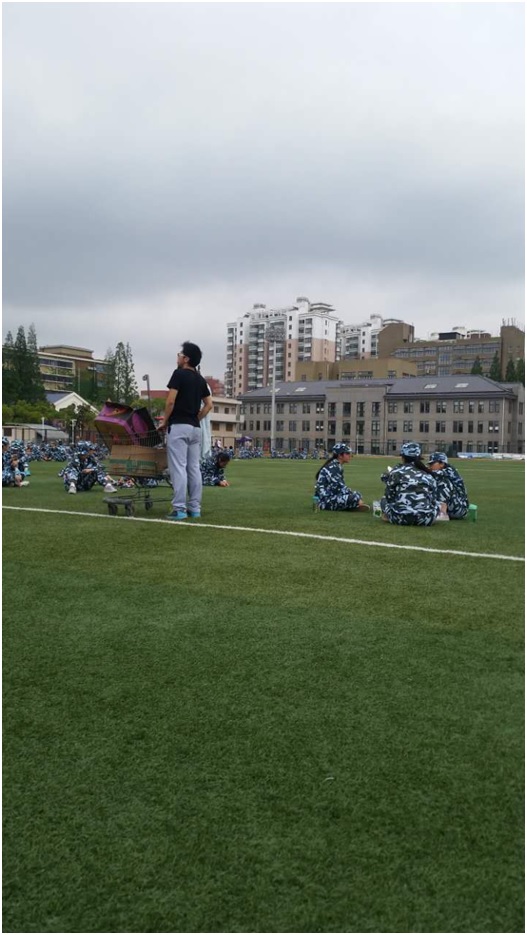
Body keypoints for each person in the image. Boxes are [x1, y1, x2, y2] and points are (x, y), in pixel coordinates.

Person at [158, 341, 212, 520]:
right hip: (195, 428)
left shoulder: (179, 374)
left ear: (186, 358)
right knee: (194, 468)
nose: (178, 358)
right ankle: (195, 508)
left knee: (178, 467)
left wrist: (165, 421)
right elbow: (209, 405)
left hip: (179, 426)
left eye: (180, 355)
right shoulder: (200, 379)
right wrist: (197, 418)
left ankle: (179, 508)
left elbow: (170, 401)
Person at [380, 441, 443, 526]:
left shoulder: (396, 473)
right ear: (419, 457)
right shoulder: (428, 475)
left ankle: (388, 516)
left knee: (384, 500)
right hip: (426, 520)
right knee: (439, 504)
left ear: (403, 458)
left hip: (399, 518)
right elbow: (433, 499)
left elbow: (389, 497)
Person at [314, 443, 370, 511]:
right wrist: (355, 497)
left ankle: (353, 505)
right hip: (324, 501)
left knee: (357, 494)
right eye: (347, 453)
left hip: (330, 496)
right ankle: (354, 505)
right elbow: (340, 487)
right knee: (354, 497)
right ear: (340, 455)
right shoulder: (333, 467)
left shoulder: (336, 465)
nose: (350, 455)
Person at [428, 451, 469, 519]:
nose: (430, 466)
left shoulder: (449, 471)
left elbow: (434, 473)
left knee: (443, 483)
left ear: (442, 464)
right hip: (454, 506)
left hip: (460, 508)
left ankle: (442, 513)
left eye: (432, 463)